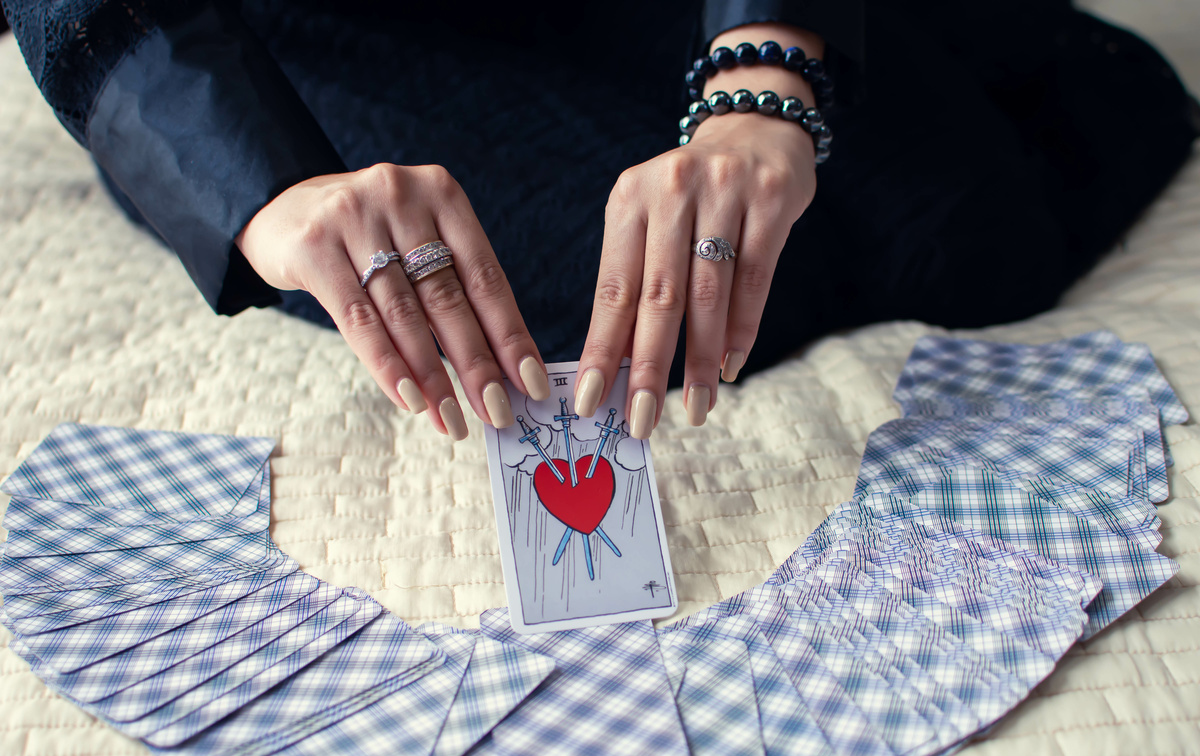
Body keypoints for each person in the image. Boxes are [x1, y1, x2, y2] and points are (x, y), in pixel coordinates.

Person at [5, 0, 1198, 442]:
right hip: (251, 30)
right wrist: (258, 185)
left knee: (968, 215)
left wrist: (762, 83)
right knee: (593, 287)